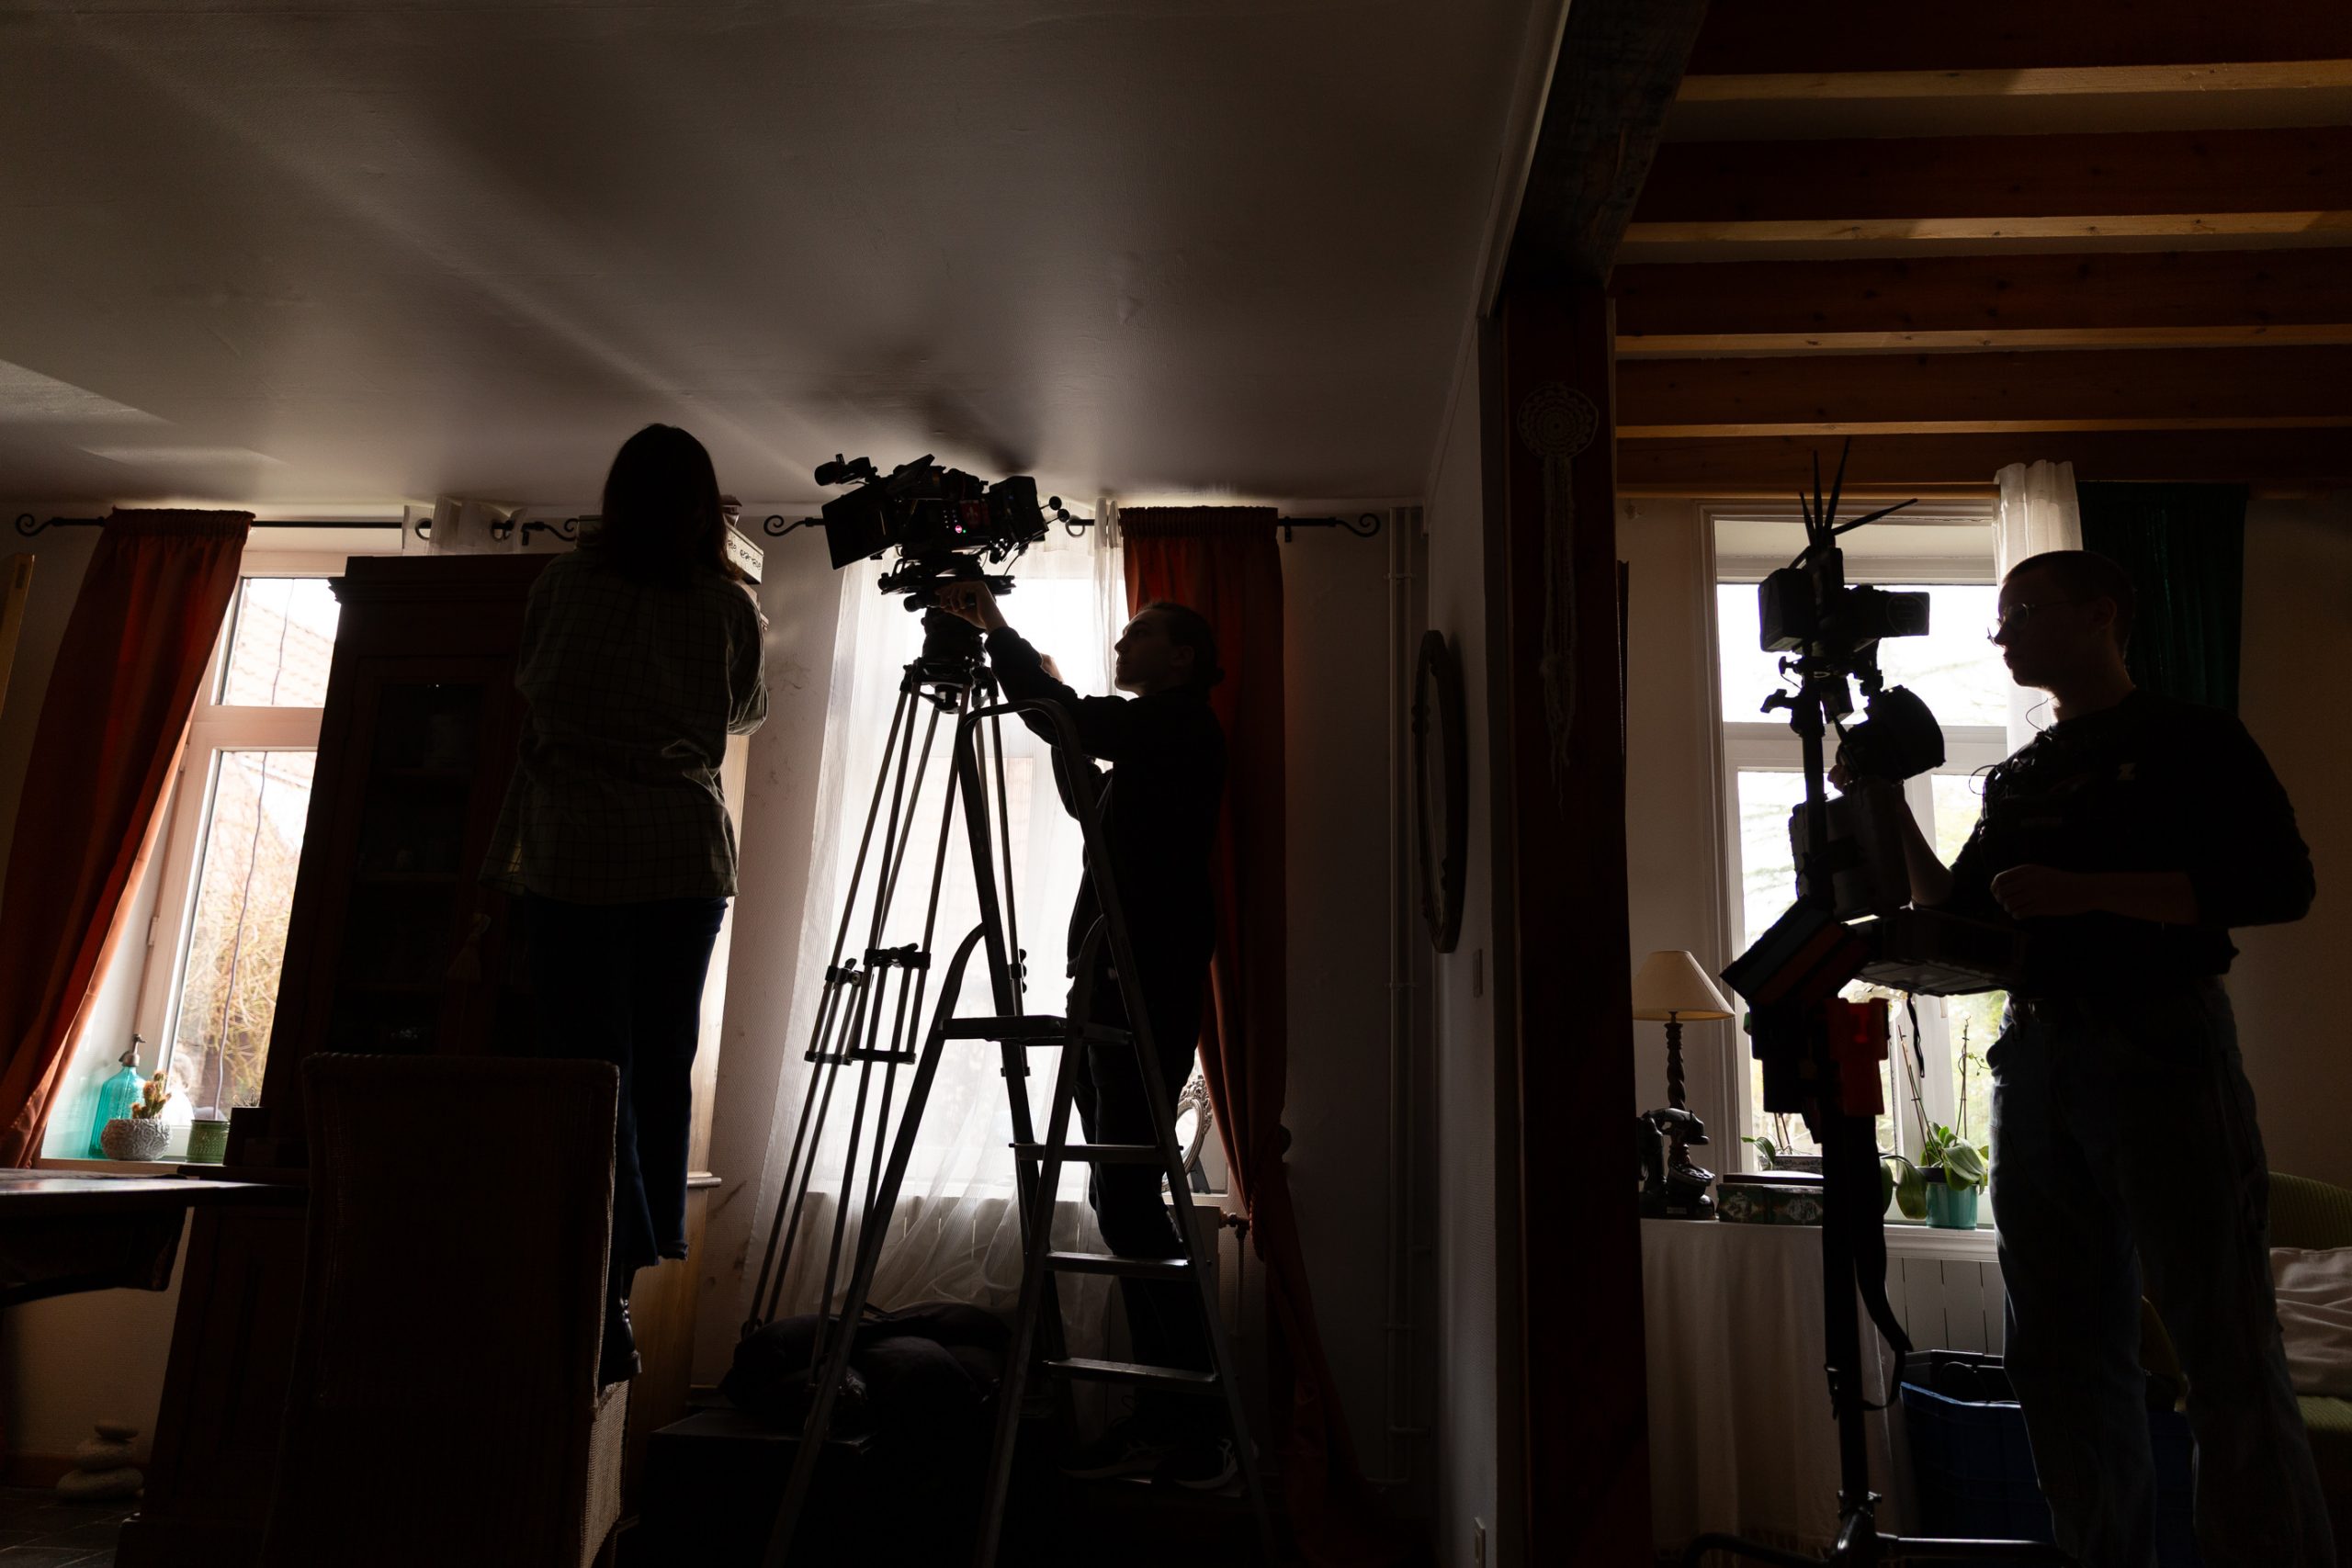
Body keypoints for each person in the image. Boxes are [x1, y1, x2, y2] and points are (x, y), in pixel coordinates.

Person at [1856, 549, 2331, 1567]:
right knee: (2060, 1354)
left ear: (2102, 613)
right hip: (2034, 1064)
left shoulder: (2191, 739)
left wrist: (2091, 893)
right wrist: (1888, 798)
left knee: (2223, 1343)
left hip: (2162, 1048)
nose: (2003, 635)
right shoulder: (2024, 774)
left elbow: (2279, 884)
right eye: (2000, 618)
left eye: (2022, 611)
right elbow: (1960, 912)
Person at [483, 424, 769, 1386]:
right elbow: (742, 712)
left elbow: (532, 681)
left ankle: (594, 1279)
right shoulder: (726, 606)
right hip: (682, 853)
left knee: (584, 1068)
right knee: (657, 1063)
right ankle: (626, 1273)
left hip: (573, 852)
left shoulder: (563, 585)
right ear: (702, 507)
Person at [938, 581, 1235, 1490]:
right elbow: (1084, 786)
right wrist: (1045, 690)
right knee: (1121, 1200)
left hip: (1140, 985)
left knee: (1130, 1197)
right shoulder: (1155, 746)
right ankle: (1175, 1416)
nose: (1122, 643)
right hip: (1118, 983)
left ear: (1181, 657)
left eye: (1139, 634)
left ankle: (1193, 1423)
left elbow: (1073, 721)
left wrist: (997, 630)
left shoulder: (1179, 725)